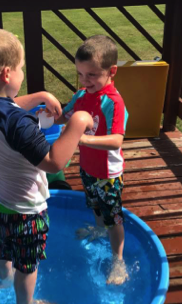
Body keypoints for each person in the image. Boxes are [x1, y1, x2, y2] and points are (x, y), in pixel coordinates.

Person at [0, 28, 93, 304]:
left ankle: (2, 280)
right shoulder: (19, 123)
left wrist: (39, 96)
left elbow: (2, 106)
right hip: (25, 211)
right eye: (21, 69)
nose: (23, 74)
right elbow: (53, 162)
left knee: (0, 247)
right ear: (7, 74)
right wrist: (78, 123)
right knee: (27, 264)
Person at [55, 35, 129, 285]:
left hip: (108, 173)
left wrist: (83, 140)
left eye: (93, 75)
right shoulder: (81, 95)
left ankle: (118, 261)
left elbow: (117, 140)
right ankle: (98, 229)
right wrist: (50, 116)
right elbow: (65, 117)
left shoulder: (114, 103)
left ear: (112, 71)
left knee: (114, 217)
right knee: (95, 206)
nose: (85, 81)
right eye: (81, 74)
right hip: (87, 167)